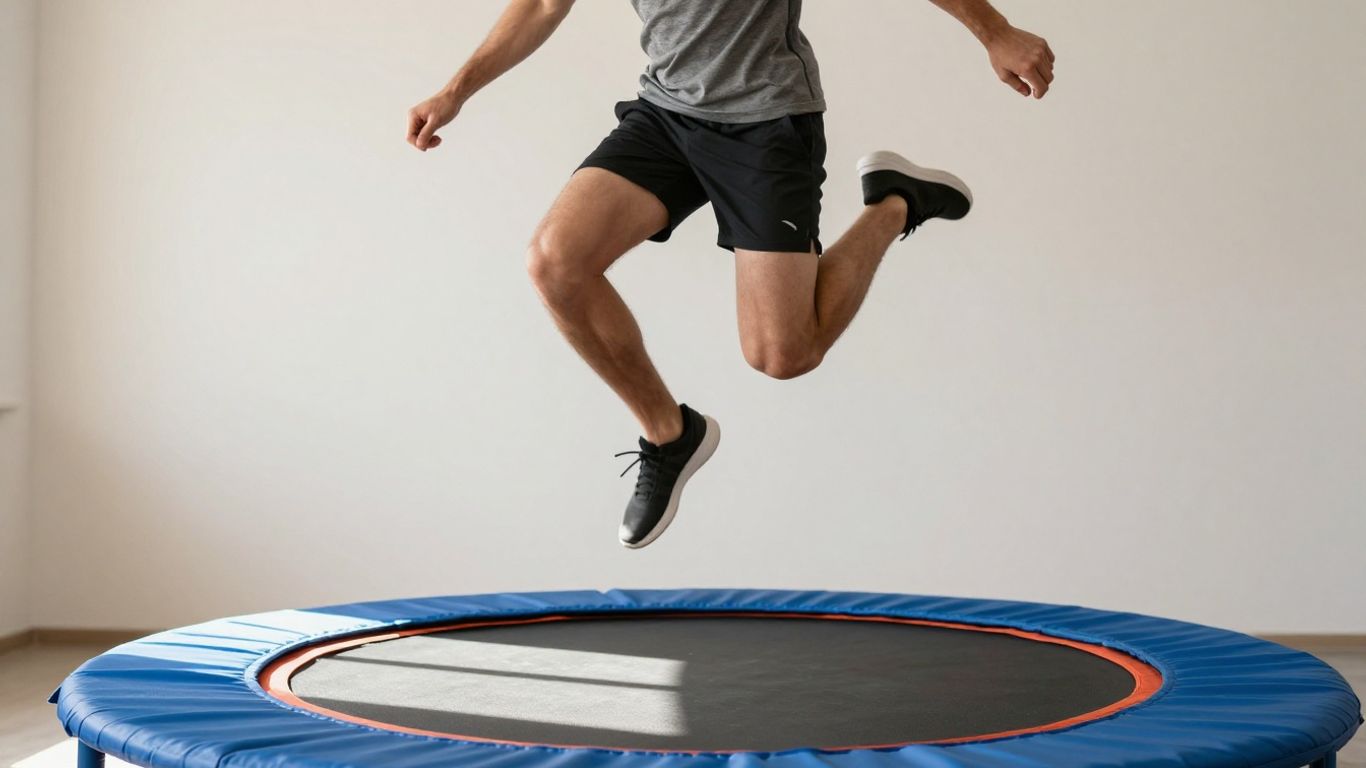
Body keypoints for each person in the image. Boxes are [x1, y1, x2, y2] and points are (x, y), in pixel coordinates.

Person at [407, 0, 1054, 549]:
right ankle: (669, 433)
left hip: (766, 125)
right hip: (666, 116)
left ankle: (896, 202)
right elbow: (545, 4)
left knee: (783, 354)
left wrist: (994, 32)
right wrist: (454, 90)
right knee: (555, 263)